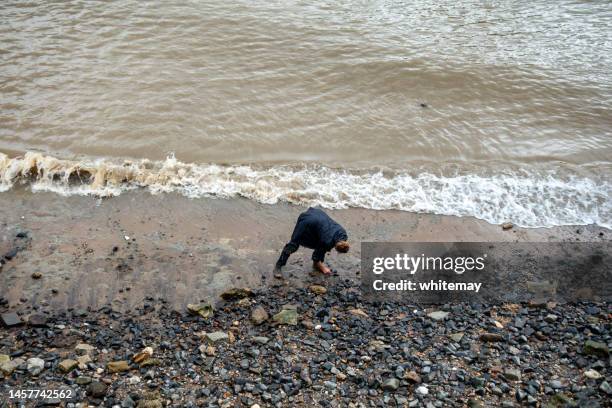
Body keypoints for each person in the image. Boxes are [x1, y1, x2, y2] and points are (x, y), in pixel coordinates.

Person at [274, 207, 349, 277]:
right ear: (336, 248)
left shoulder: (343, 233)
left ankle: (316, 264)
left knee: (319, 244)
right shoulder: (327, 241)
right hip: (306, 221)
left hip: (315, 212)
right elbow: (319, 252)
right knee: (293, 244)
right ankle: (278, 266)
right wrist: (322, 267)